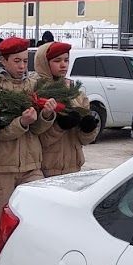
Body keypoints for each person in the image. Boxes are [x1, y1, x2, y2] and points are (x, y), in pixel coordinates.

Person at [0, 37, 55, 252]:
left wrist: (47, 115)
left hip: (31, 165)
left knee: (35, 220)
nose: (23, 66)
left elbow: (38, 131)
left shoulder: (33, 87)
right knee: (0, 225)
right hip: (0, 167)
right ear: (3, 61)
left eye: (25, 61)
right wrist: (22, 122)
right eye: (17, 61)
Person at [34, 40, 100, 177]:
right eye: (57, 61)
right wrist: (60, 126)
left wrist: (88, 129)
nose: (63, 65)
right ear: (44, 63)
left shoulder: (76, 93)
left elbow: (85, 140)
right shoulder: (37, 92)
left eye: (66, 60)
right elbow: (37, 138)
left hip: (73, 167)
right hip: (45, 168)